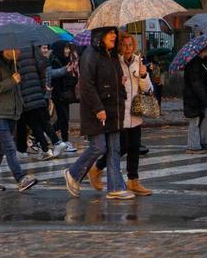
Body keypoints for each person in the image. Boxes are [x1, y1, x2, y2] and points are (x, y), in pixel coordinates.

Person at [63, 27, 134, 200]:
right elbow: (86, 85)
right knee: (99, 147)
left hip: (113, 108)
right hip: (96, 111)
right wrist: (98, 108)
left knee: (114, 149)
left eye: (114, 33)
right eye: (110, 33)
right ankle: (73, 173)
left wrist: (120, 84)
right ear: (100, 36)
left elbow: (114, 79)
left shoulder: (111, 55)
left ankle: (115, 187)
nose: (114, 36)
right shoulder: (91, 55)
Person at [89, 33, 154, 196]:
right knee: (122, 146)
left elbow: (148, 89)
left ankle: (133, 180)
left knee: (134, 147)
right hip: (119, 111)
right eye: (124, 45)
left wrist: (144, 75)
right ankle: (97, 168)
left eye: (130, 45)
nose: (128, 49)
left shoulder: (138, 61)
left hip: (135, 112)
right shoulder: (114, 62)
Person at [0, 49, 37, 192]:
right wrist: (12, 80)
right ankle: (20, 179)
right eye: (15, 48)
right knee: (9, 147)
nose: (18, 51)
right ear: (6, 48)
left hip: (11, 112)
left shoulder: (13, 64)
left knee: (0, 149)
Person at [15, 47, 61, 160]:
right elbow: (42, 68)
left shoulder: (16, 54)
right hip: (36, 91)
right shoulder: (32, 49)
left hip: (25, 94)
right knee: (37, 121)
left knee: (33, 122)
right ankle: (50, 145)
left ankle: (47, 147)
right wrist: (42, 88)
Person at [184, 42, 207, 153]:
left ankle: (202, 142)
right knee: (195, 120)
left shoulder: (202, 63)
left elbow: (204, 79)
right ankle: (193, 146)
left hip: (200, 97)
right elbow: (196, 83)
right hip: (193, 97)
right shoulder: (193, 64)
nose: (206, 53)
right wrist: (206, 99)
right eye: (205, 51)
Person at [50, 42, 79, 152]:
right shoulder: (55, 61)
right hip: (59, 95)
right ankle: (65, 141)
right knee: (64, 119)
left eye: (68, 48)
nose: (67, 51)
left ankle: (45, 133)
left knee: (63, 119)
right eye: (65, 48)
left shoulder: (64, 59)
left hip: (64, 94)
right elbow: (56, 79)